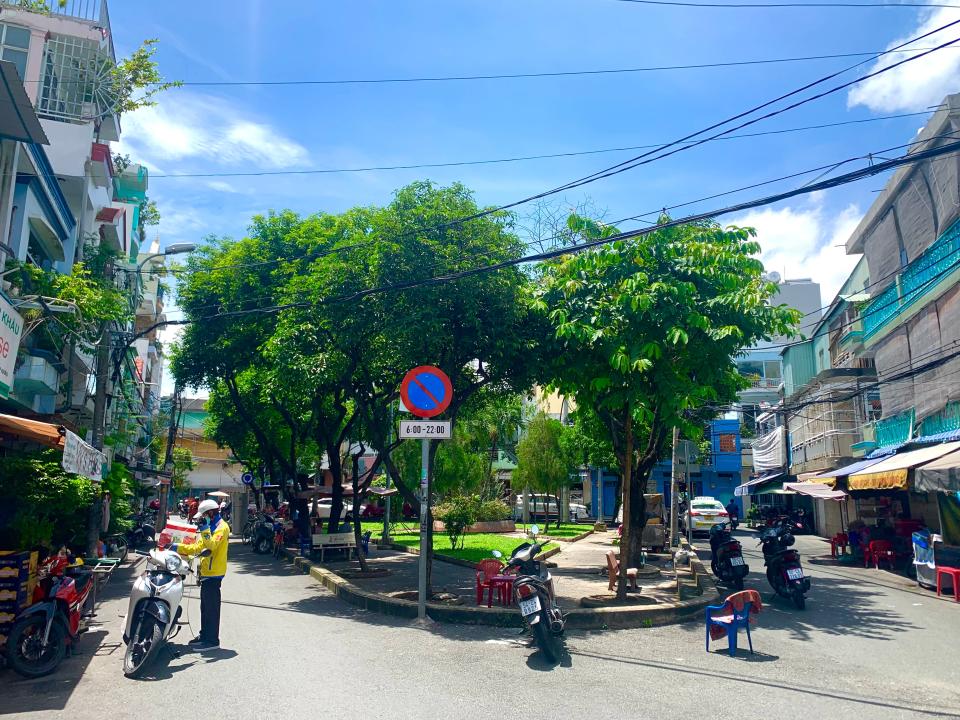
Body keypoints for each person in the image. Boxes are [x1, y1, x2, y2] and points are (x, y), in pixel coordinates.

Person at [169, 498, 230, 650]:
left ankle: (212, 641)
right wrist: (176, 547)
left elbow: (212, 546)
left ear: (210, 513)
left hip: (214, 574)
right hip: (206, 572)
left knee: (211, 609)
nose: (202, 519)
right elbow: (198, 547)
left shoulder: (221, 528)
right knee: (205, 608)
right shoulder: (211, 527)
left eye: (204, 516)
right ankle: (204, 635)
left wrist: (204, 529)